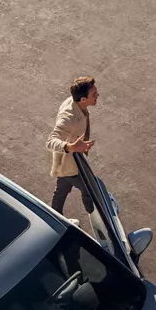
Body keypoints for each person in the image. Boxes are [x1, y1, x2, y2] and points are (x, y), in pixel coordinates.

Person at [46, 77, 99, 219]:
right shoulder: (68, 117)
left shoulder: (76, 102)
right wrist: (71, 147)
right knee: (90, 189)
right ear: (82, 99)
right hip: (70, 161)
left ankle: (55, 216)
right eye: (94, 94)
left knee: (62, 188)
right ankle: (97, 218)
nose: (97, 95)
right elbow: (50, 142)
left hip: (71, 158)